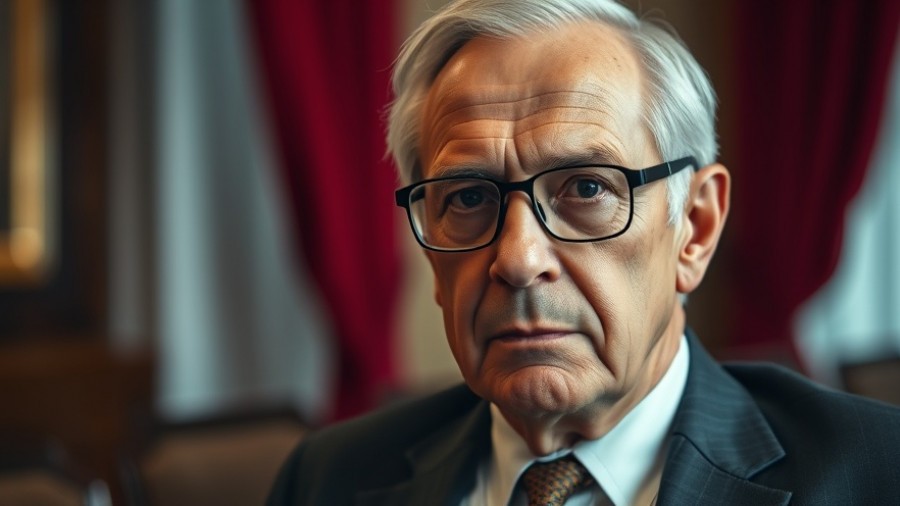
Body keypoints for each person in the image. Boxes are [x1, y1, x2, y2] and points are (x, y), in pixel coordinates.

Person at [267, 0, 900, 504]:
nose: (516, 259)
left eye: (588, 187)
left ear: (695, 228)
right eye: (466, 198)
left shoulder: (874, 475)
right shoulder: (327, 481)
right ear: (431, 259)